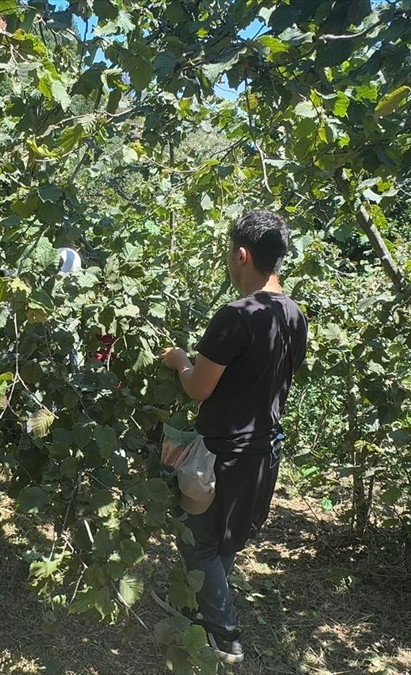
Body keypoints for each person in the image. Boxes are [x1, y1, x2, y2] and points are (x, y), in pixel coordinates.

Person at [155, 209, 308, 663]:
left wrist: (179, 360)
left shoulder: (237, 316)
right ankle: (197, 608)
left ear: (242, 255)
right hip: (265, 449)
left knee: (197, 543)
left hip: (223, 452)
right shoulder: (294, 314)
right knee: (226, 538)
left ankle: (225, 637)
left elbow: (198, 388)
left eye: (228, 253)